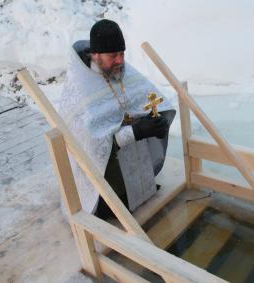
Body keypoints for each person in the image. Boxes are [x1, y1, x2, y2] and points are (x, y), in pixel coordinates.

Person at [58, 19, 175, 220]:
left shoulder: (119, 70)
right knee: (111, 200)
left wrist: (157, 122)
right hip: (102, 170)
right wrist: (136, 131)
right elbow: (90, 145)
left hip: (130, 156)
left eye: (122, 54)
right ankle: (110, 201)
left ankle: (137, 189)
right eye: (113, 55)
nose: (120, 61)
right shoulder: (81, 87)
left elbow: (148, 98)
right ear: (95, 55)